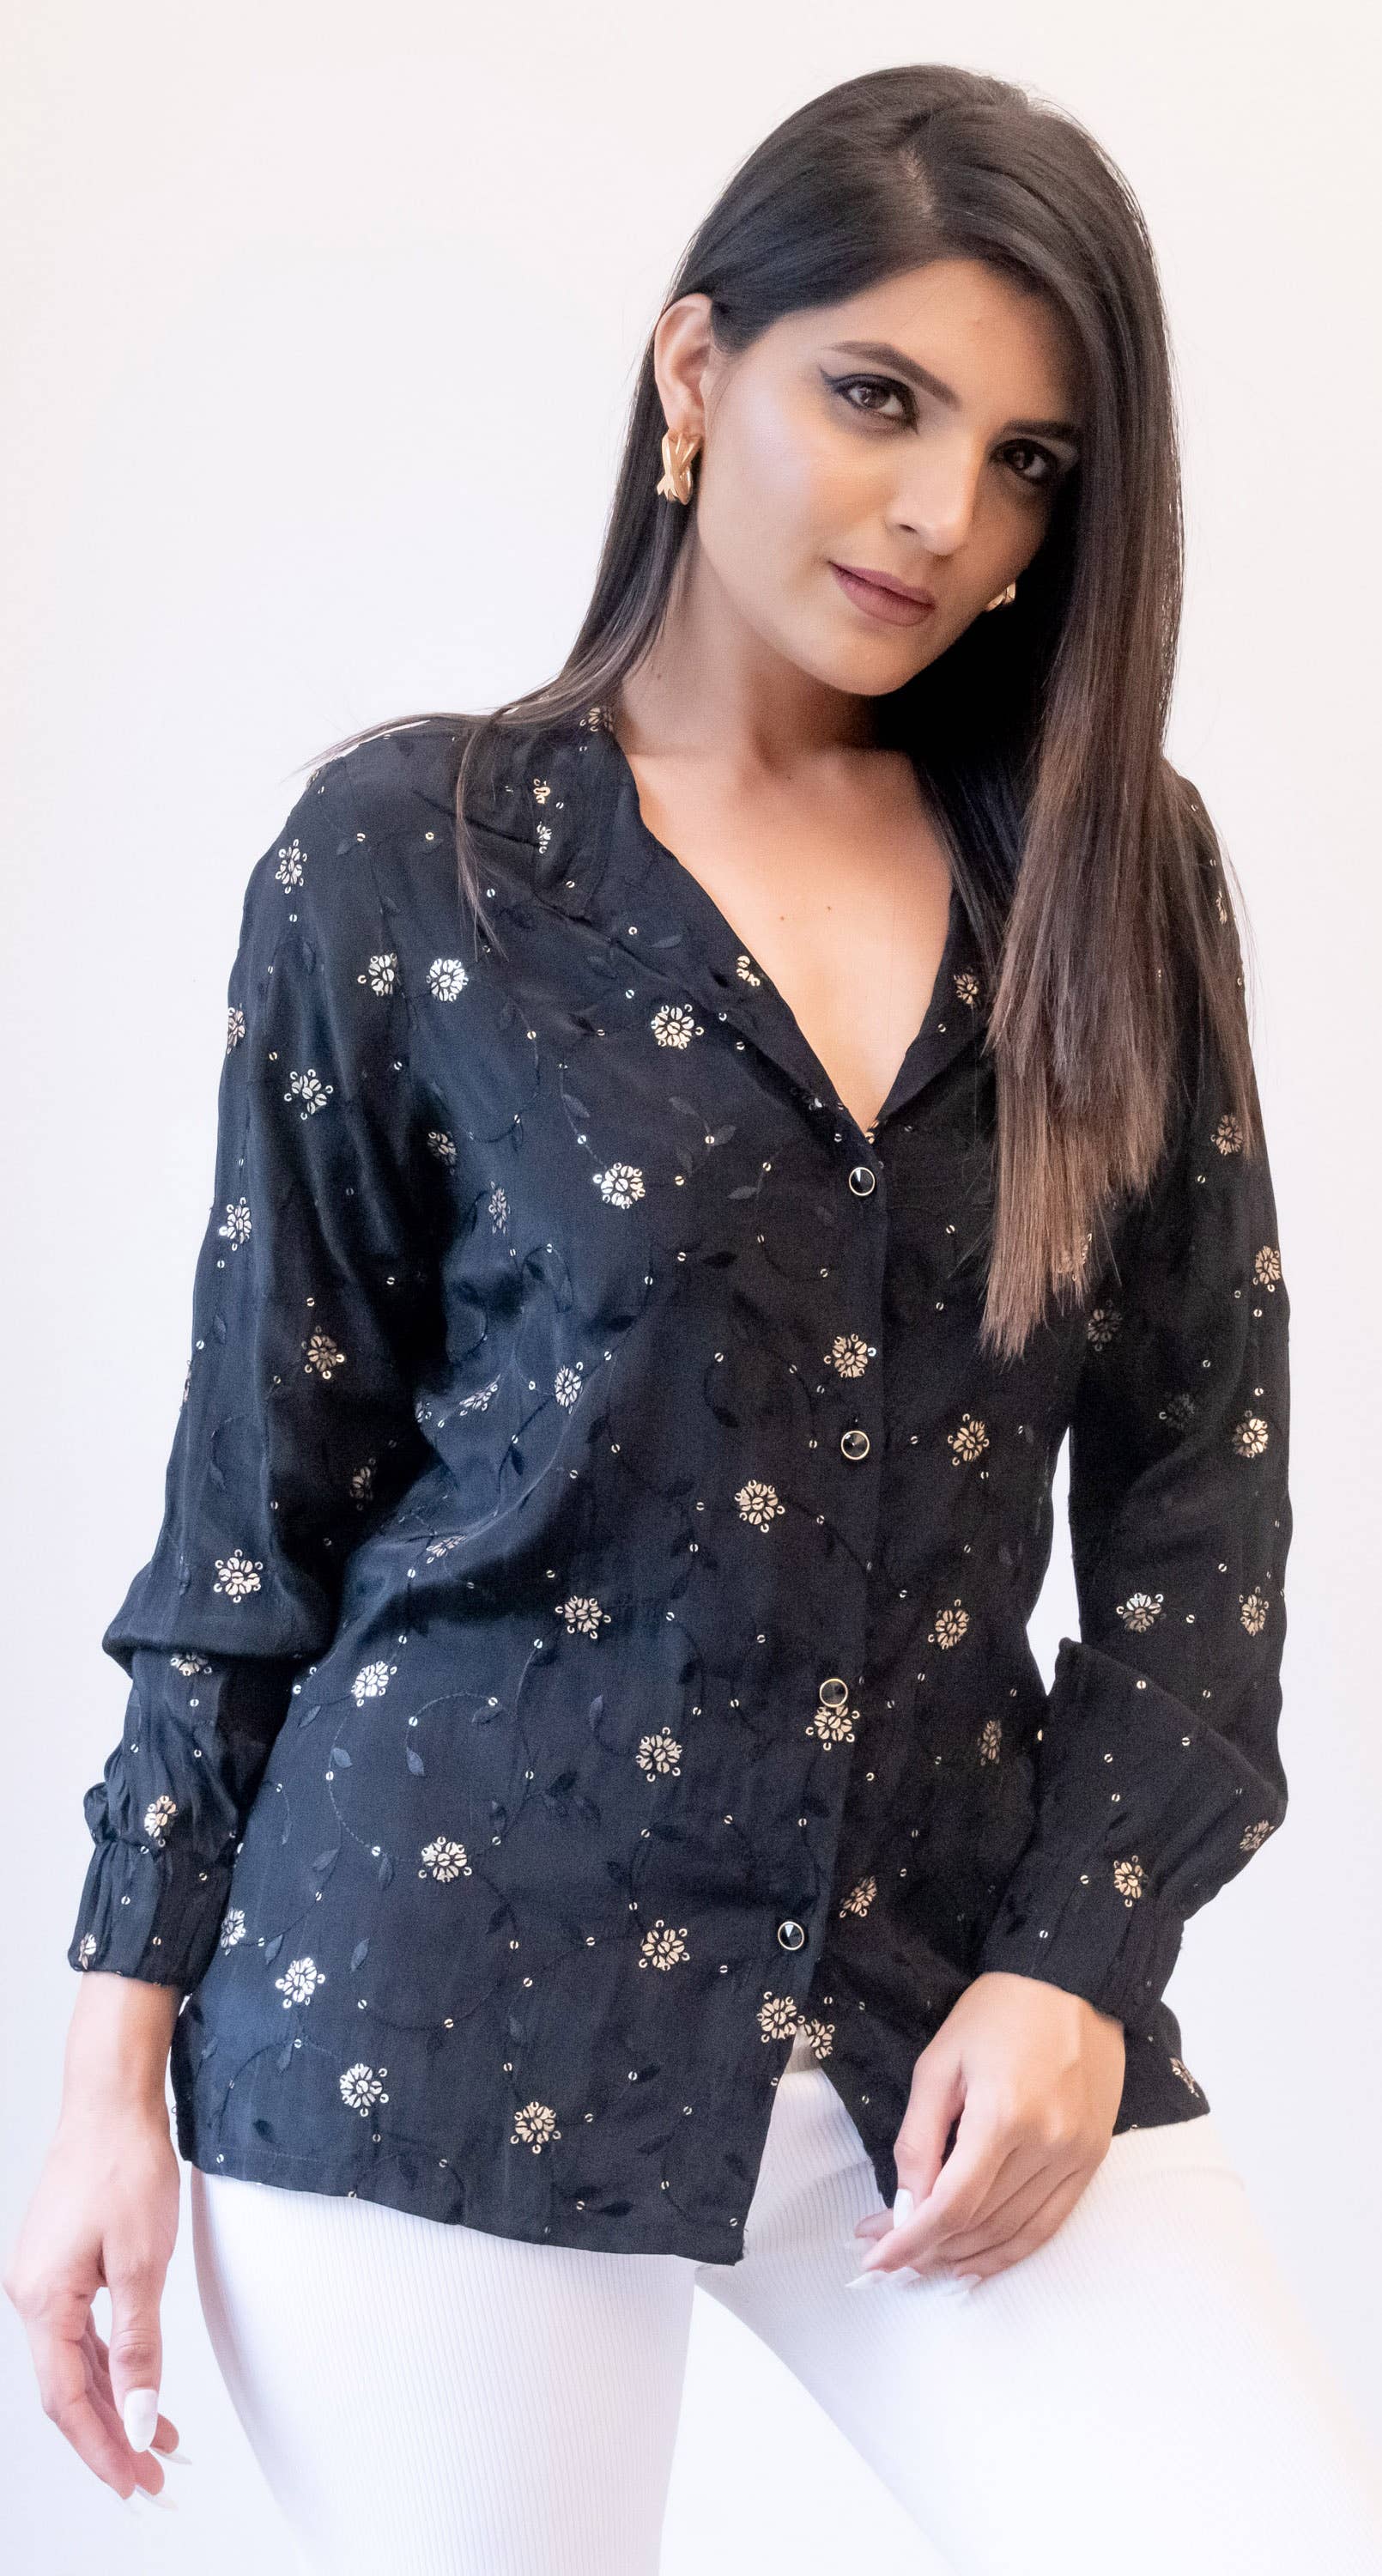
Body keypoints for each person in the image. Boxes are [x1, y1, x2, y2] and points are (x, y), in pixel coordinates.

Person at [9, 60, 1382, 2576]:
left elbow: (1207, 1489)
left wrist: (1082, 1964)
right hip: (435, 2002)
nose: (942, 512)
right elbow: (251, 1516)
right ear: (692, 370)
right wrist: (104, 2080)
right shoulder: (405, 860)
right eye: (878, 397)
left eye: (1028, 462)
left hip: (941, 1995)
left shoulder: (1106, 874)